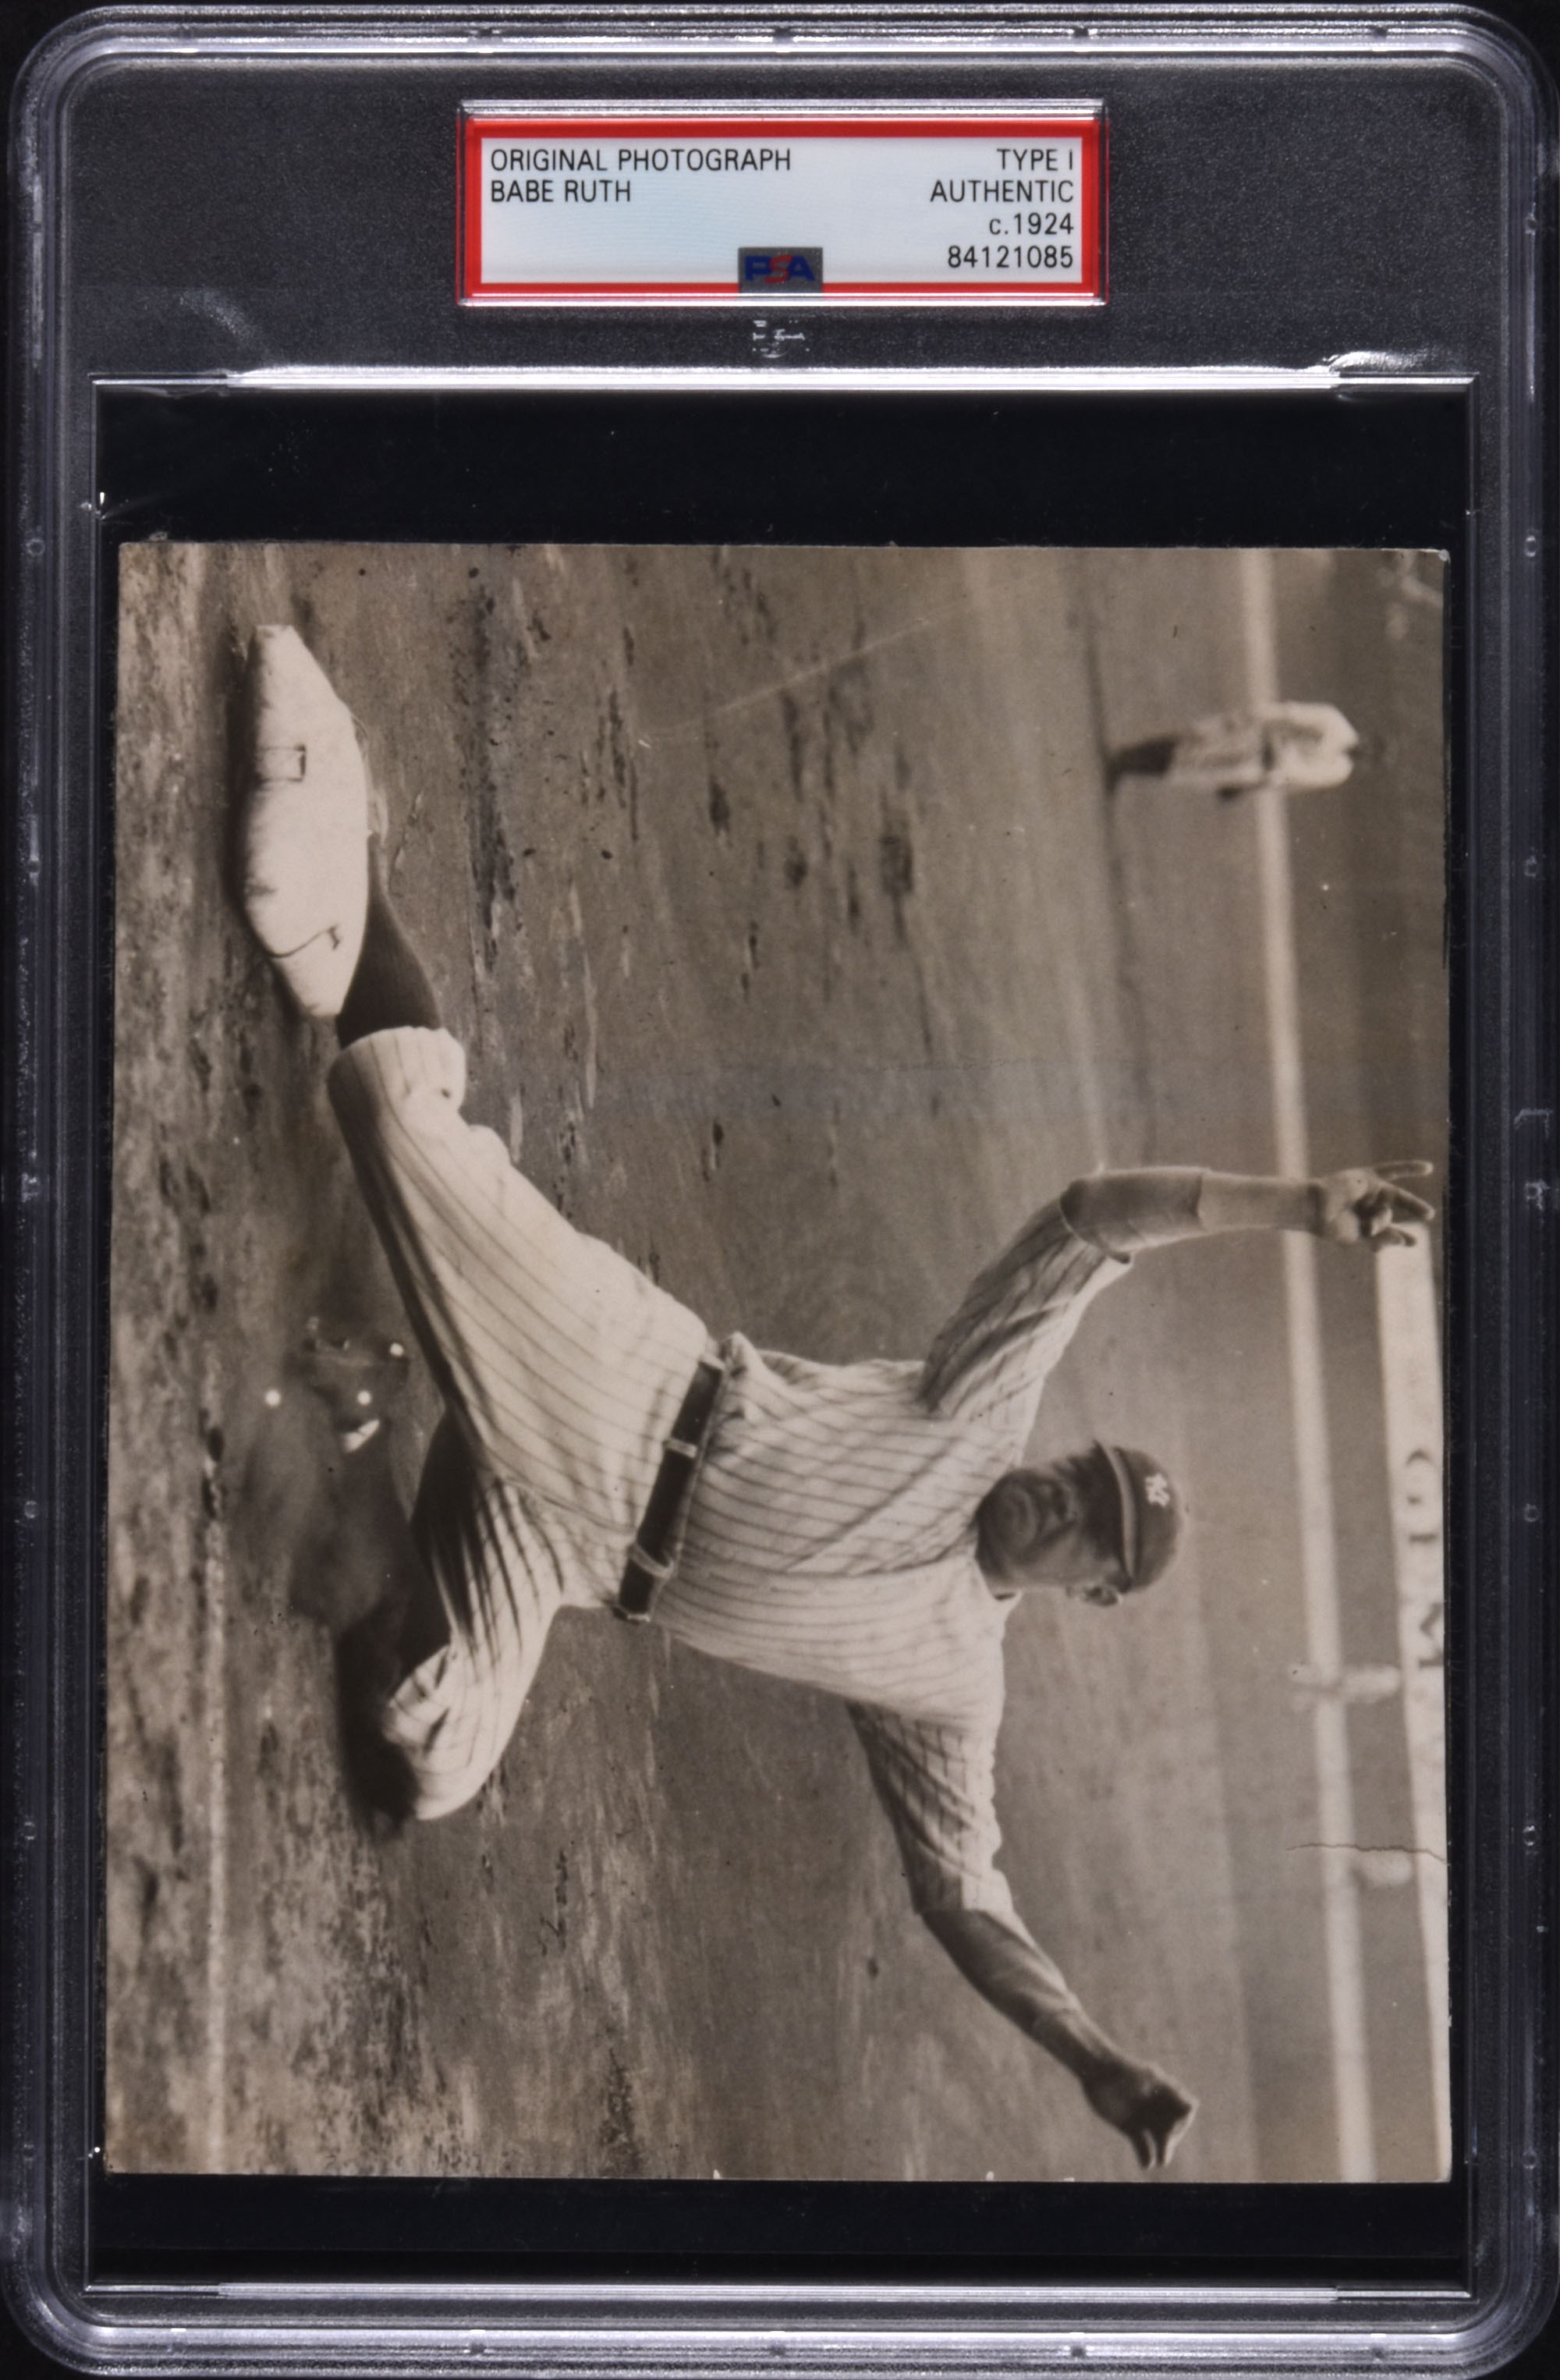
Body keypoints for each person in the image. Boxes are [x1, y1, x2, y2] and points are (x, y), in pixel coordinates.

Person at [239, 627, 1433, 2174]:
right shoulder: (976, 1409)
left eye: (1093, 1524)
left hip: (582, 1557)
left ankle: (351, 1439)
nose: (1066, 1494)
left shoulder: (951, 1685)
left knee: (438, 1752)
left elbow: (964, 1899)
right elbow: (1095, 1223)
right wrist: (1310, 1207)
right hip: (631, 1387)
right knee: (402, 1121)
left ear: (1093, 1593)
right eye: (1087, 1470)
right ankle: (358, 858)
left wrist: (1091, 2056)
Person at [1104, 701, 1360, 800]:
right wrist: (1250, 717)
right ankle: (1126, 755)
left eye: (1372, 759)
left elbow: (1294, 782)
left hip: (1258, 769)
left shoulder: (1340, 771)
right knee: (1193, 744)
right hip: (1257, 737)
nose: (1366, 755)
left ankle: (1127, 769)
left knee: (1190, 774)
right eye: (1372, 748)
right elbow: (1290, 713)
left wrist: (1249, 789)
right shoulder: (1335, 722)